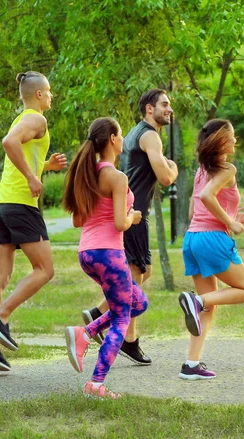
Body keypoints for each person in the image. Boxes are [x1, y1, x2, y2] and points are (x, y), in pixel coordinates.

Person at [0, 71, 67, 371]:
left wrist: (43, 168)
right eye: (49, 91)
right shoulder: (36, 119)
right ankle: (1, 316)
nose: (51, 96)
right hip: (20, 205)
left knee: (1, 276)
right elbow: (8, 142)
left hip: (2, 204)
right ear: (38, 94)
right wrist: (31, 176)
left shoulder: (23, 119)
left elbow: (19, 150)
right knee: (45, 269)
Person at [81, 89, 178, 365]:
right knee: (135, 274)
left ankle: (99, 313)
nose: (169, 109)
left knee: (143, 271)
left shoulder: (135, 133)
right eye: (164, 104)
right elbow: (165, 177)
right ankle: (128, 339)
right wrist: (174, 167)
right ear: (149, 108)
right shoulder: (149, 135)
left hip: (133, 211)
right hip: (131, 214)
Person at [63, 117, 148, 399]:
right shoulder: (116, 177)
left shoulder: (87, 174)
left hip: (87, 253)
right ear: (112, 139)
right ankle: (96, 383)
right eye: (121, 134)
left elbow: (78, 220)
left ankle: (85, 332)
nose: (123, 139)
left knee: (139, 302)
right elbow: (120, 223)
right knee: (123, 317)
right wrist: (133, 216)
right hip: (110, 254)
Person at [177, 119, 244, 380]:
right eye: (232, 135)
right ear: (221, 139)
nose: (235, 140)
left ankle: (191, 364)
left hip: (193, 239)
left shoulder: (202, 169)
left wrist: (230, 217)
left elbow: (193, 209)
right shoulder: (226, 169)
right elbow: (207, 197)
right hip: (212, 239)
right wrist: (229, 222)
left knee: (209, 307)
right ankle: (195, 300)